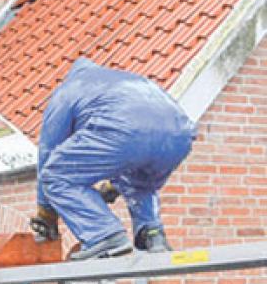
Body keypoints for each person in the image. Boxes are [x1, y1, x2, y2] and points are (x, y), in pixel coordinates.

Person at [31, 57, 197, 260]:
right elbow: (139, 143)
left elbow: (48, 150)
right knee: (141, 183)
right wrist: (111, 188)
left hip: (125, 131)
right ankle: (152, 233)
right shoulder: (127, 81)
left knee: (56, 174)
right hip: (179, 136)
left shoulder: (68, 90)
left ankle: (103, 235)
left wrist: (45, 211)